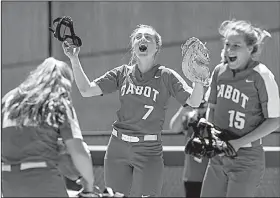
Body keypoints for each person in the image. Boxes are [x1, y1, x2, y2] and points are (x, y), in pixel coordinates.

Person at [62, 24, 205, 197]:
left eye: (148, 37)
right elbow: (86, 90)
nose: (142, 39)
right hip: (118, 146)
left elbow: (194, 101)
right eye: (138, 37)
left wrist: (199, 79)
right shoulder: (122, 73)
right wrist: (74, 59)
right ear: (133, 46)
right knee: (115, 195)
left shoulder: (166, 75)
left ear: (157, 47)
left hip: (149, 148)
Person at [200, 19, 280, 197]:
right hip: (219, 154)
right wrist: (209, 131)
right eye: (227, 44)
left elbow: (274, 120)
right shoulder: (219, 71)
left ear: (251, 49)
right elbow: (211, 108)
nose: (229, 50)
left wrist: (238, 143)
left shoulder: (261, 75)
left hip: (247, 157)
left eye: (236, 45)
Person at [1, 57, 95, 197]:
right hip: (43, 181)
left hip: (9, 182)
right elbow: (78, 151)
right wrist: (89, 186)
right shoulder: (59, 101)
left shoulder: (8, 100)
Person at [170, 90, 209, 198]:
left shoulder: (214, 118)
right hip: (192, 176)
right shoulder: (190, 118)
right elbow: (174, 128)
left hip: (211, 176)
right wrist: (185, 107)